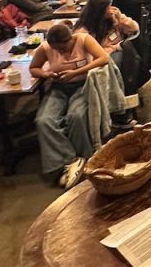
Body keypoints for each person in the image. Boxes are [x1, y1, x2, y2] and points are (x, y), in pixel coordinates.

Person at [30, 24, 110, 188]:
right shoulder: (45, 48)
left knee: (76, 116)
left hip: (83, 85)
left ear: (71, 38)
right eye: (56, 49)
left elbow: (104, 58)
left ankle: (86, 157)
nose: (60, 52)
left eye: (63, 48)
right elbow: (33, 68)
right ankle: (71, 160)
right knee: (43, 120)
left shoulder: (83, 39)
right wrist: (46, 74)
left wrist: (76, 72)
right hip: (58, 87)